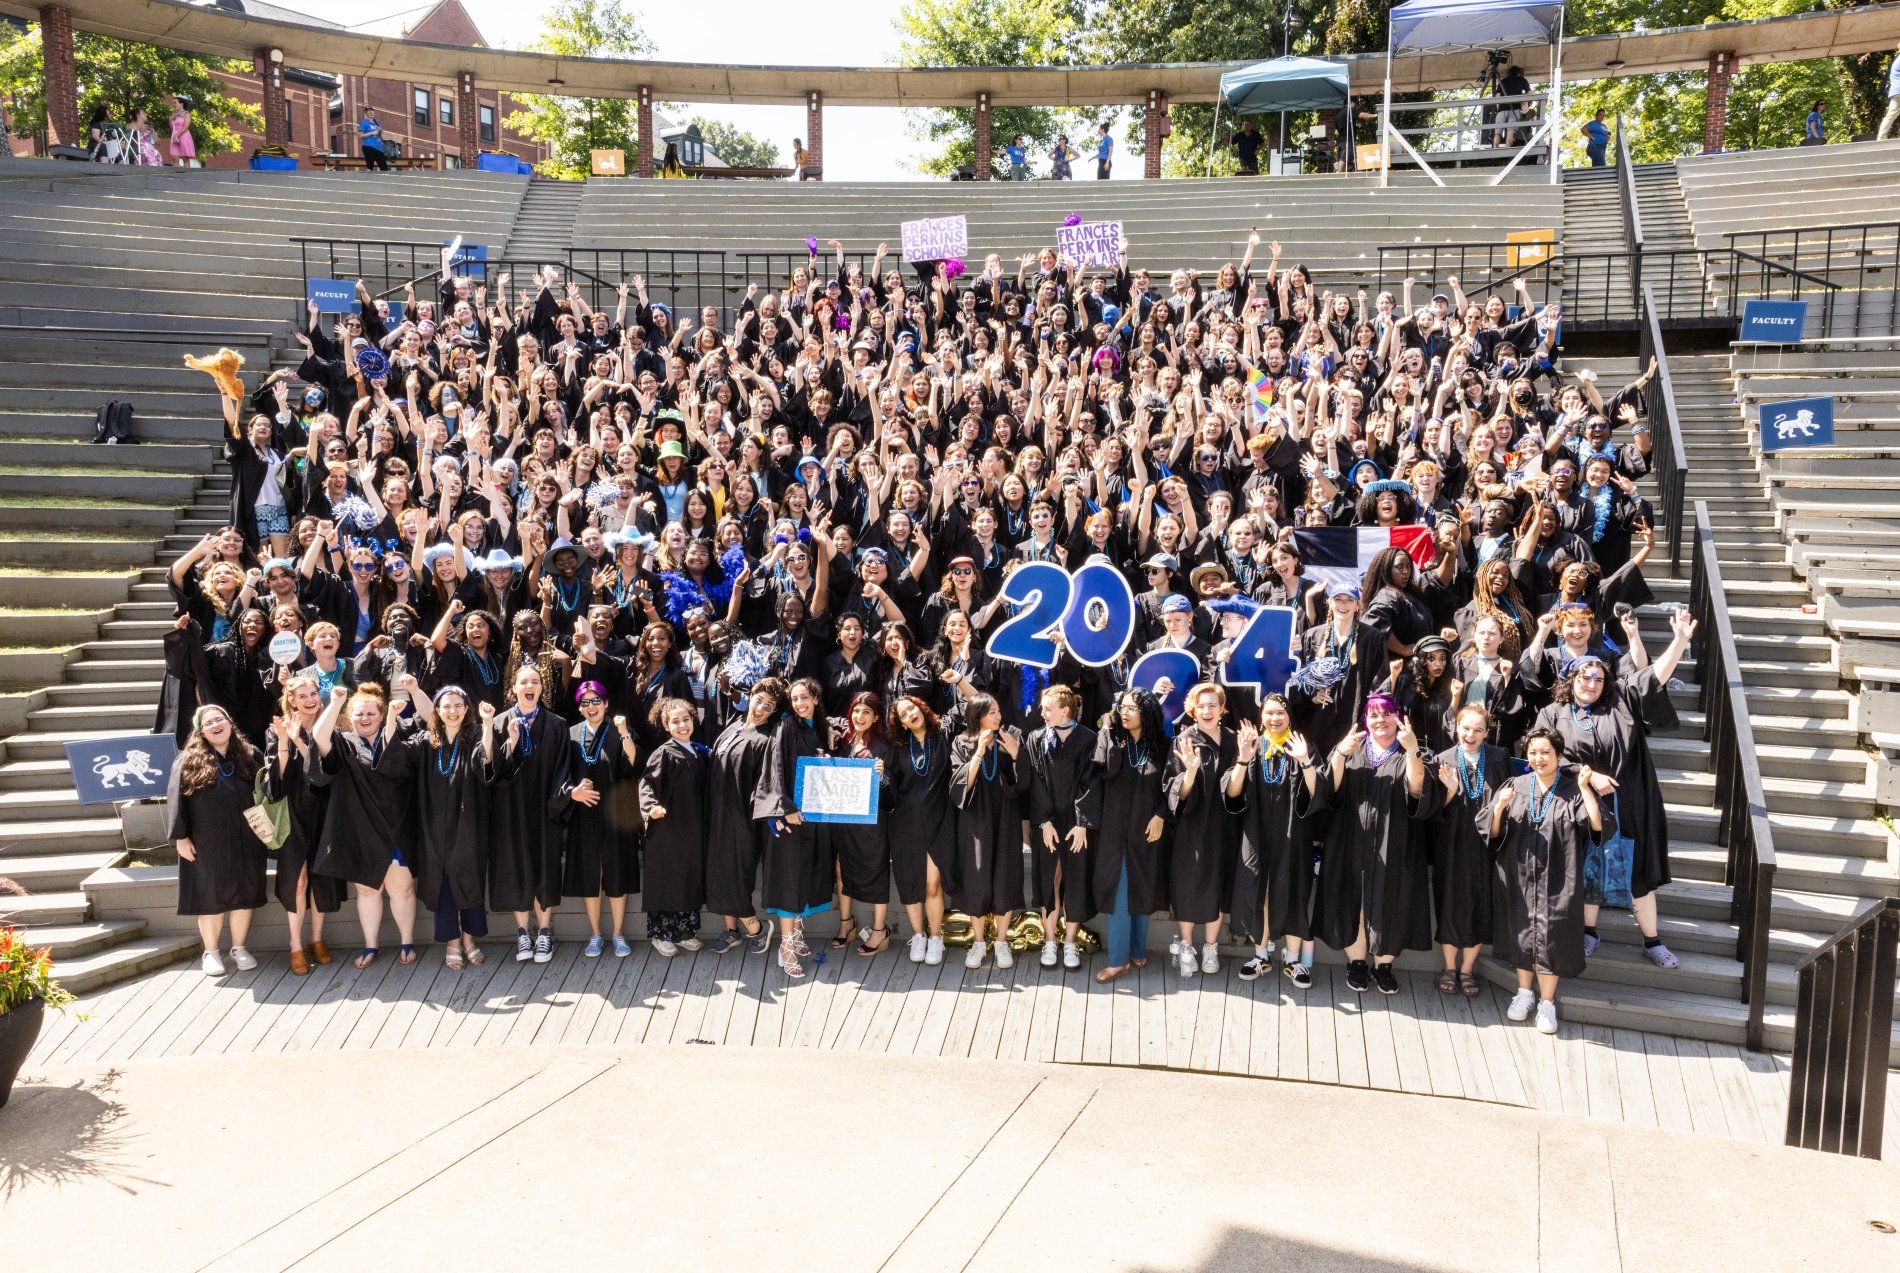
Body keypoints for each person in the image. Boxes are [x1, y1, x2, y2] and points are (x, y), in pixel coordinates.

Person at [1302, 693, 1446, 994]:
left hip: (1395, 841)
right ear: (1365, 721)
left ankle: (1383, 965)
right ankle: (1356, 964)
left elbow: (1417, 791)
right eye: (1373, 715)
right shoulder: (1352, 751)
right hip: (1349, 838)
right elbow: (1330, 790)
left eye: (1386, 714)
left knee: (1391, 899)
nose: (1379, 720)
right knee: (1352, 899)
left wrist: (1412, 753)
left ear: (1398, 718)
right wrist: (1340, 753)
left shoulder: (1415, 751)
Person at [1490, 727, 1607, 1036]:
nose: (1538, 758)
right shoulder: (1515, 785)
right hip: (1520, 874)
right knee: (1522, 930)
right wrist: (1501, 805)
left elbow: (1597, 827)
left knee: (1552, 933)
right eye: (1533, 752)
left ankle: (1547, 1002)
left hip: (1559, 874)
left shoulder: (1571, 789)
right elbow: (1491, 832)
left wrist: (1585, 790)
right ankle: (1524, 993)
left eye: (1545, 752)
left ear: (1558, 756)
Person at [379, 682, 501, 970]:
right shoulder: (425, 741)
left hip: (469, 823)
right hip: (433, 824)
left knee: (469, 878)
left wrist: (486, 724)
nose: (452, 710)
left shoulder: (472, 736)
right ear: (436, 710)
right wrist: (390, 719)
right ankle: (452, 942)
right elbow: (393, 758)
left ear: (466, 708)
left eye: (458, 705)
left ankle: (469, 939)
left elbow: (487, 762)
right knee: (443, 882)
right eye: (446, 705)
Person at [167, 705, 268, 976]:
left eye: (219, 719)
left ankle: (239, 948)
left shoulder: (250, 754)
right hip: (206, 840)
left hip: (247, 838)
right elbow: (176, 800)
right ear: (200, 731)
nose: (215, 725)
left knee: (245, 894)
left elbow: (267, 792)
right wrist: (181, 837)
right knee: (210, 895)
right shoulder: (188, 760)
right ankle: (210, 952)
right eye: (208, 722)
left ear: (229, 722)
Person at [1226, 695, 1317, 986]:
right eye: (1269, 713)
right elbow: (1232, 792)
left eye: (1281, 713)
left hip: (1294, 831)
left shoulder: (1302, 746)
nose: (1275, 718)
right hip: (1257, 830)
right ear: (1261, 717)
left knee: (1293, 889)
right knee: (1259, 890)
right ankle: (1261, 955)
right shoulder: (1253, 747)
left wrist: (1304, 761)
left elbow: (1318, 793)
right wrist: (1243, 758)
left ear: (1290, 716)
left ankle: (1293, 960)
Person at [264, 674, 344, 974]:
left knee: (321, 878)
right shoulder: (277, 729)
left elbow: (323, 774)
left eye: (314, 693)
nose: (311, 699)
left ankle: (317, 939)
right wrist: (285, 741)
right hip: (292, 814)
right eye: (303, 695)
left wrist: (300, 741)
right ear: (292, 701)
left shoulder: (328, 728)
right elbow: (279, 780)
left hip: (323, 810)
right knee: (297, 880)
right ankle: (295, 944)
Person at [1429, 703, 1510, 996]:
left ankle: (1467, 970)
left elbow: (1508, 802)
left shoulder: (1499, 758)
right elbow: (1432, 813)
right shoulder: (1444, 759)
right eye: (1465, 728)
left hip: (1488, 847)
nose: (1470, 735)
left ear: (1487, 732)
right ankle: (1449, 967)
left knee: (1481, 904)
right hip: (1451, 846)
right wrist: (1449, 790)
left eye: (1478, 730)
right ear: (1456, 728)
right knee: (1450, 903)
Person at [556, 683, 641, 958]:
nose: (590, 707)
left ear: (606, 703)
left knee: (616, 870)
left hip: (617, 812)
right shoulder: (570, 734)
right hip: (584, 814)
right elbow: (562, 774)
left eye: (596, 701)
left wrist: (625, 732)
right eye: (585, 702)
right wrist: (574, 793)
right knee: (591, 872)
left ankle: (618, 933)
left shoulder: (619, 730)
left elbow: (633, 762)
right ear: (579, 707)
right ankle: (595, 934)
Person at [950, 693, 1028, 970]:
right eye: (991, 712)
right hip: (976, 818)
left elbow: (1024, 782)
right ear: (977, 715)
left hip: (1005, 814)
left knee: (1004, 874)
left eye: (998, 711)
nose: (998, 716)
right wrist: (980, 751)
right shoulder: (962, 742)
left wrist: (1017, 753)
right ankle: (980, 942)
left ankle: (1002, 941)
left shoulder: (1011, 736)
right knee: (977, 875)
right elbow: (961, 785)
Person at [1023, 684, 1094, 970]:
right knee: (1049, 877)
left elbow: (1090, 783)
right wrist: (1043, 821)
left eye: (1047, 708)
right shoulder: (1037, 738)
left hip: (1077, 825)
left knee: (1074, 879)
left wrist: (1081, 823)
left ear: (1065, 710)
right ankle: (1050, 941)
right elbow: (1035, 782)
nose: (1042, 712)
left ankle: (1070, 943)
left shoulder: (1088, 739)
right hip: (1048, 823)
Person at [638, 697, 710, 955]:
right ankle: (661, 935)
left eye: (686, 719)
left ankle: (684, 932)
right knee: (667, 880)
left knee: (687, 879)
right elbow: (646, 785)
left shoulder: (697, 751)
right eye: (675, 721)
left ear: (693, 720)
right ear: (666, 725)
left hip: (691, 831)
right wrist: (651, 809)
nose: (682, 725)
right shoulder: (664, 753)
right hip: (667, 830)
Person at [359, 105, 390, 172]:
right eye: (368, 111)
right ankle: (368, 180)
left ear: (374, 112)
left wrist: (380, 131)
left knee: (384, 167)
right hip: (368, 146)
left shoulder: (377, 123)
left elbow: (381, 137)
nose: (370, 112)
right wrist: (372, 133)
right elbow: (360, 135)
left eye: (371, 110)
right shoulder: (364, 122)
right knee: (370, 166)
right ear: (366, 113)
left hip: (378, 147)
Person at [168, 96, 196, 167]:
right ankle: (176, 176)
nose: (173, 105)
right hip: (175, 136)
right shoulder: (174, 114)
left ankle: (186, 176)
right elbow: (172, 127)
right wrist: (170, 119)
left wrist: (177, 135)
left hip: (183, 135)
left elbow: (186, 126)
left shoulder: (187, 114)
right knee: (175, 157)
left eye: (175, 103)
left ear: (181, 104)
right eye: (173, 103)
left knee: (185, 158)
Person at [1879, 46, 1900, 140]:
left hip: (1895, 91)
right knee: (1890, 115)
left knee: (1890, 116)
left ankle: (1881, 138)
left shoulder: (1897, 60)